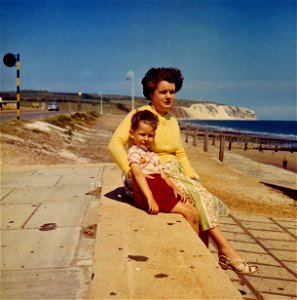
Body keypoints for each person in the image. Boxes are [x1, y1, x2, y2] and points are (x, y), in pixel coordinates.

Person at [109, 67, 258, 275]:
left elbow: (180, 152)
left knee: (201, 195)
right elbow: (115, 143)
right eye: (163, 92)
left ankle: (207, 257)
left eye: (172, 91)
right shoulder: (142, 115)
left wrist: (191, 175)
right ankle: (226, 251)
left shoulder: (172, 120)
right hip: (157, 173)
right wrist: (131, 173)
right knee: (196, 197)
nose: (169, 96)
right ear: (151, 93)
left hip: (176, 172)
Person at [128, 109, 199, 234]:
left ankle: (200, 247)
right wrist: (149, 198)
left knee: (195, 211)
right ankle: (191, 248)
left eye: (150, 135)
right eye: (142, 134)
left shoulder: (153, 155)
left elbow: (163, 176)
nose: (146, 139)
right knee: (188, 212)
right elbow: (137, 174)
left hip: (162, 188)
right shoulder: (134, 152)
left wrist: (175, 189)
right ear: (132, 134)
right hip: (149, 191)